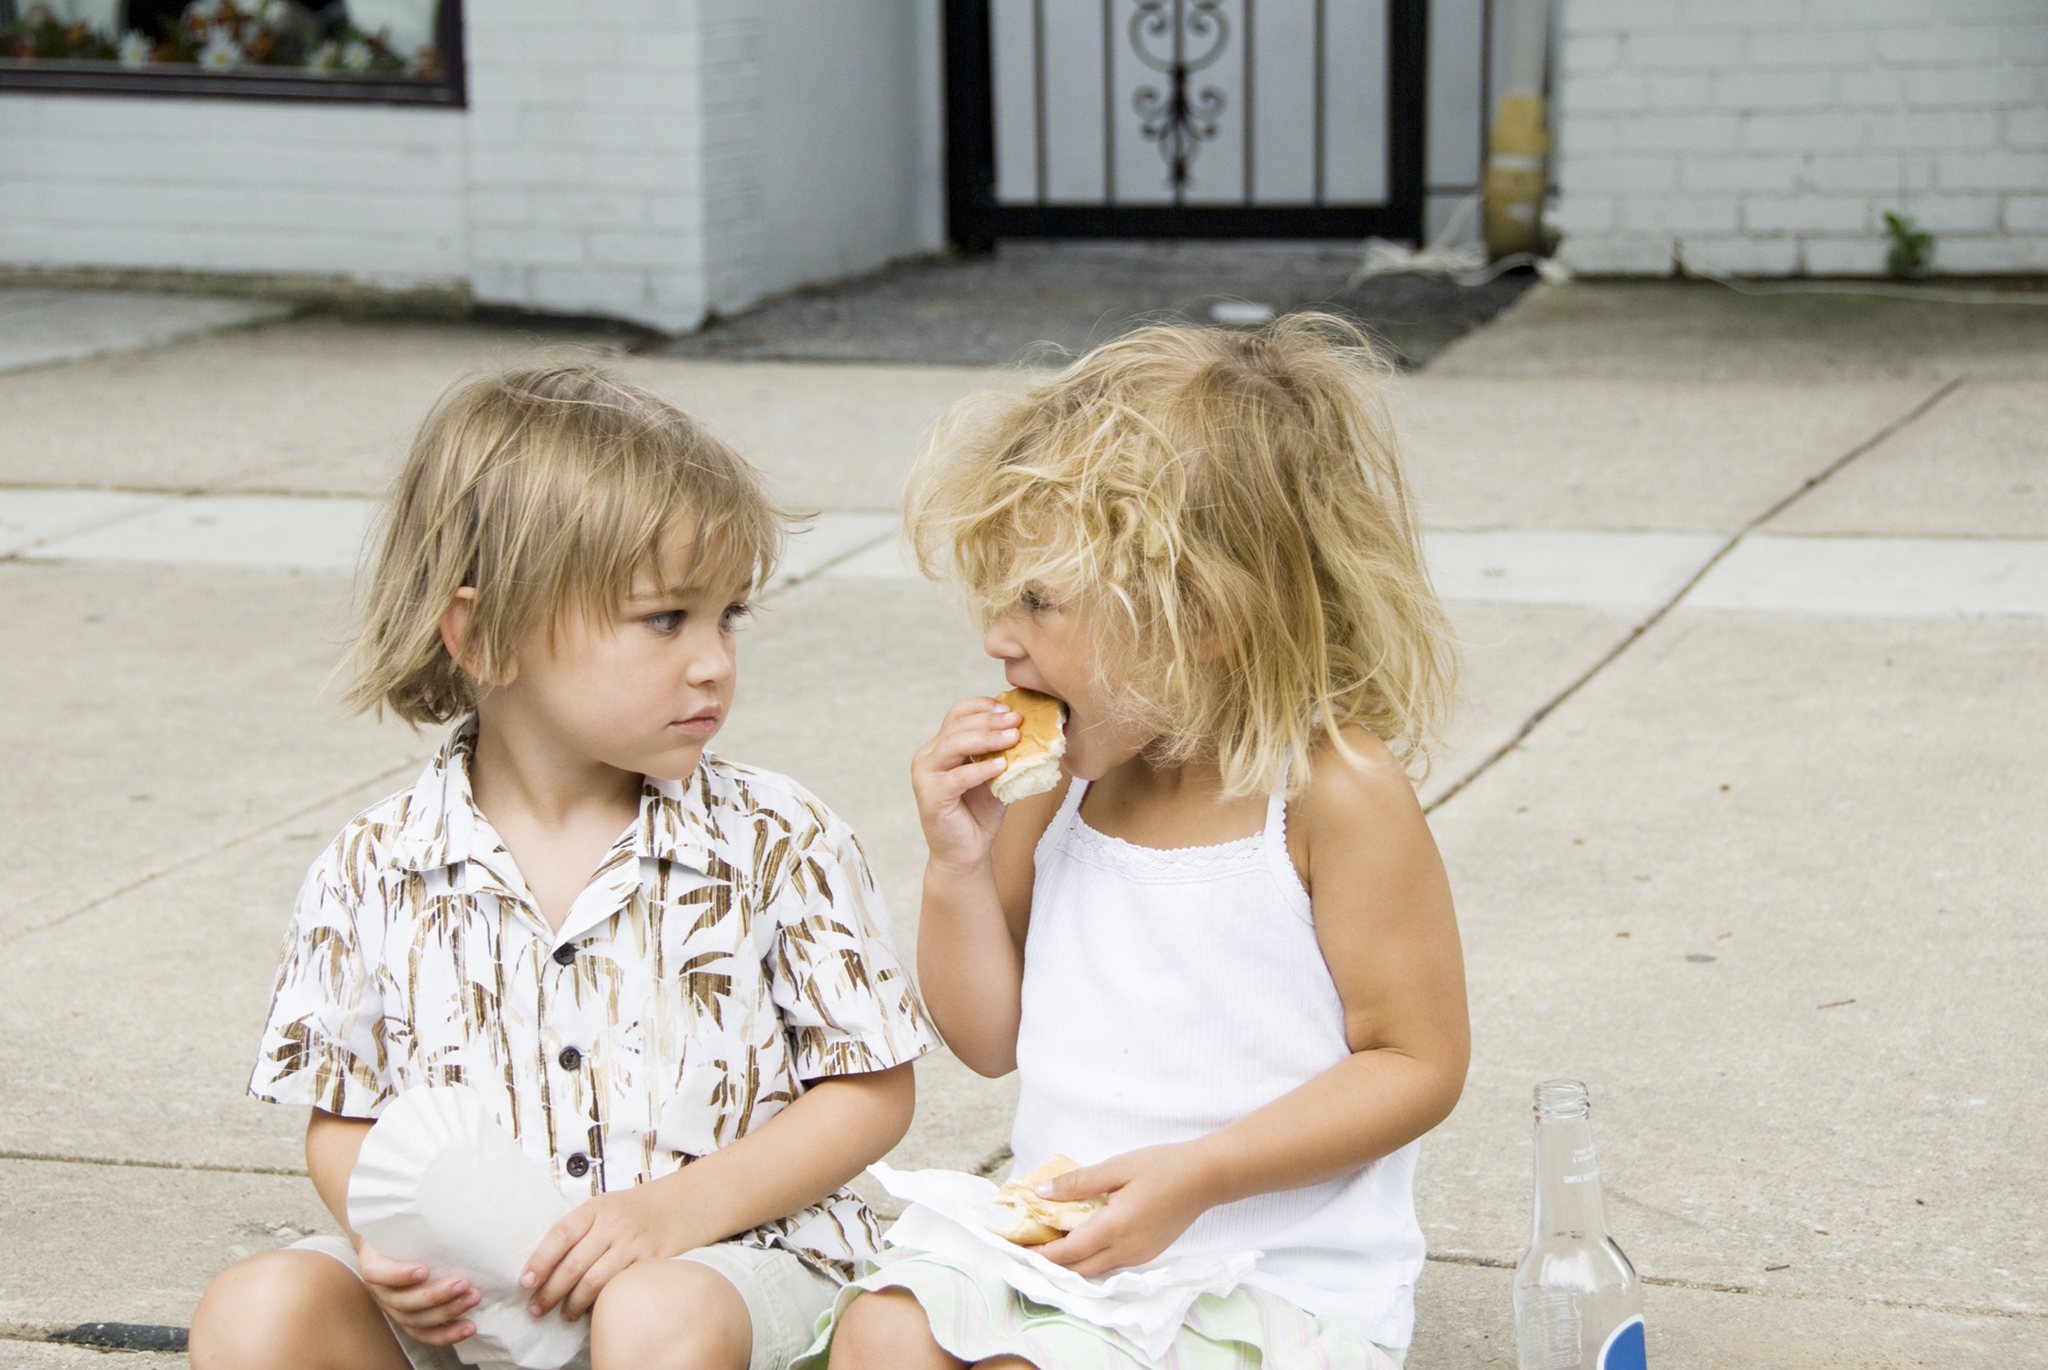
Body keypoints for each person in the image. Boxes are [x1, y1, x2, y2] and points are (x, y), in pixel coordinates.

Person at [189, 367, 938, 1370]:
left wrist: (672, 1212)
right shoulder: (373, 866)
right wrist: (383, 1239)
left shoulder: (775, 837)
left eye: (729, 615)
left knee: (650, 1313)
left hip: (728, 1266)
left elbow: (868, 1090)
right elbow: (344, 1119)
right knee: (258, 1308)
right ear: (484, 632)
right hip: (482, 1294)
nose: (713, 659)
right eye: (666, 618)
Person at [811, 317, 1470, 1370]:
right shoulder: (1062, 780)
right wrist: (955, 865)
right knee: (879, 1330)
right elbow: (986, 1039)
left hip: (1268, 1270)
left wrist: (1197, 1173)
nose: (997, 636)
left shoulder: (1331, 792)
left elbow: (1415, 1061)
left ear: (1199, 612)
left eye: (1037, 599)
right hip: (1070, 1246)